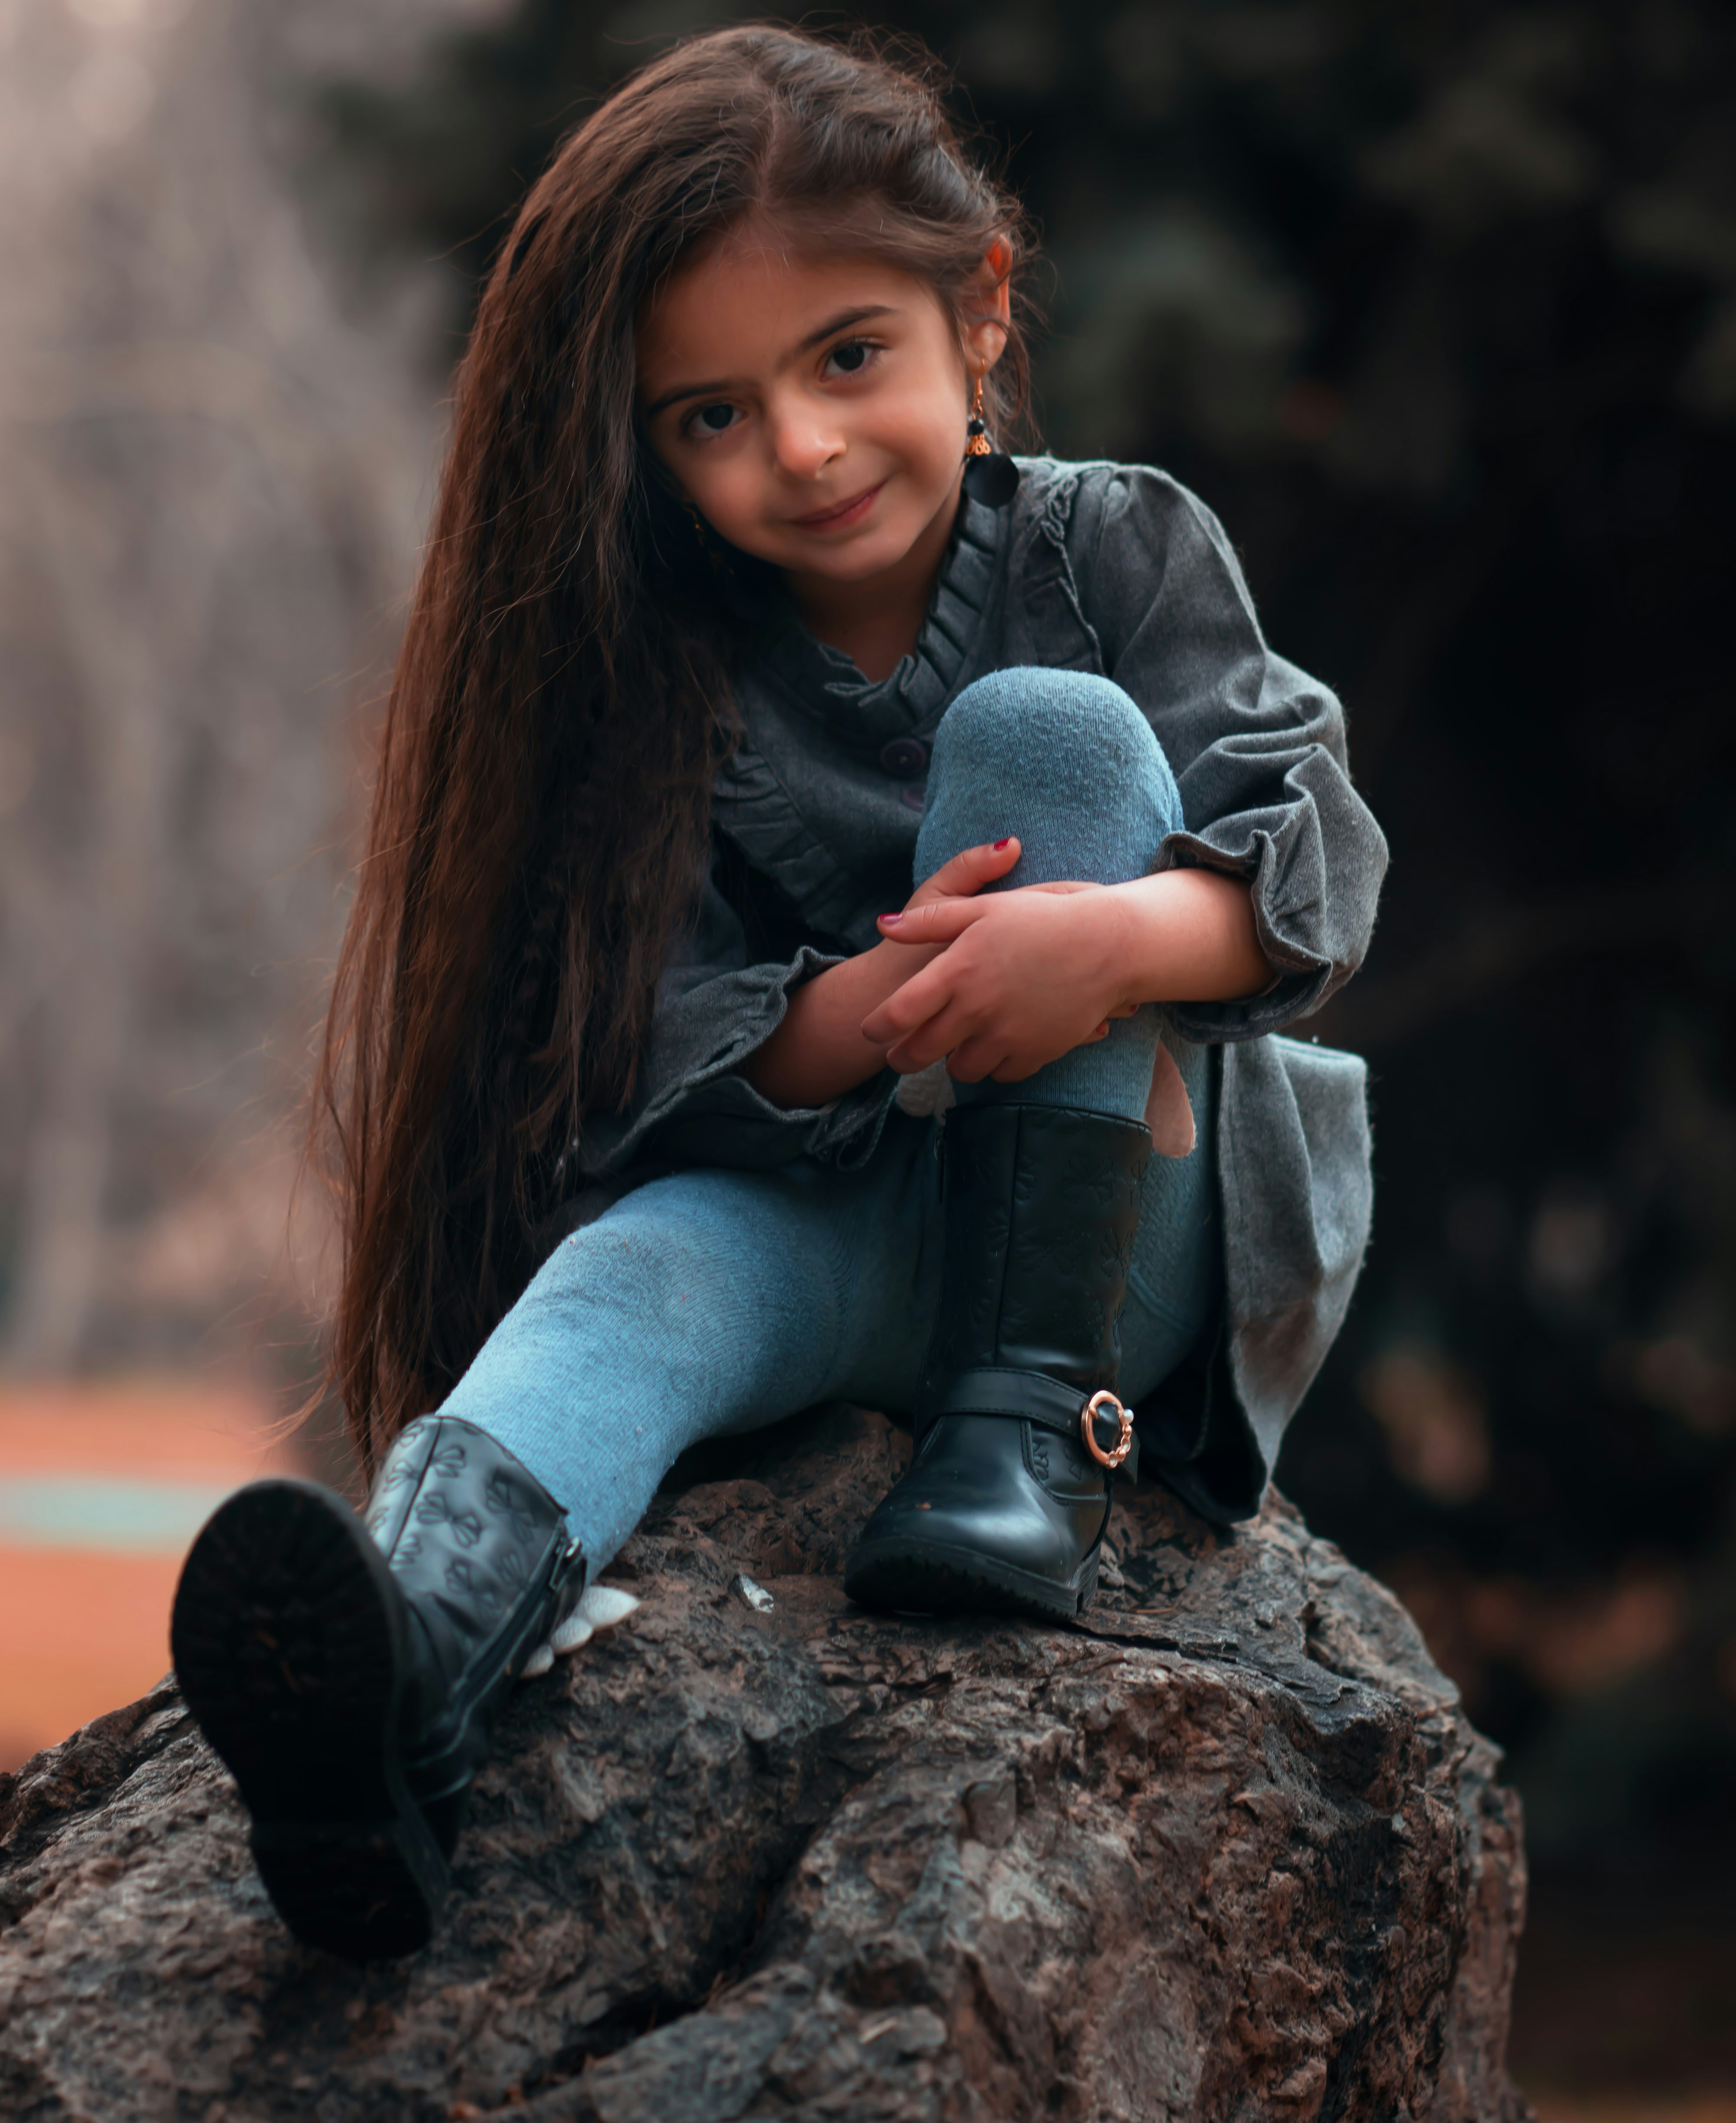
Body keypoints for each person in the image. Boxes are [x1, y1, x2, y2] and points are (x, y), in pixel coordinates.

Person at [171, 23, 1386, 1963]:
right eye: (707, 417)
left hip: (1116, 1216)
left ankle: (1019, 1435)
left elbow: (1315, 846)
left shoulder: (1117, 543)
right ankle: (403, 1676)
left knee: (1047, 733)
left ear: (976, 309)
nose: (799, 451)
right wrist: (855, 1018)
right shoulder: (656, 678)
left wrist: (1111, 942)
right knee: (636, 1268)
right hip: (841, 1214)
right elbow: (605, 1058)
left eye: (845, 360)